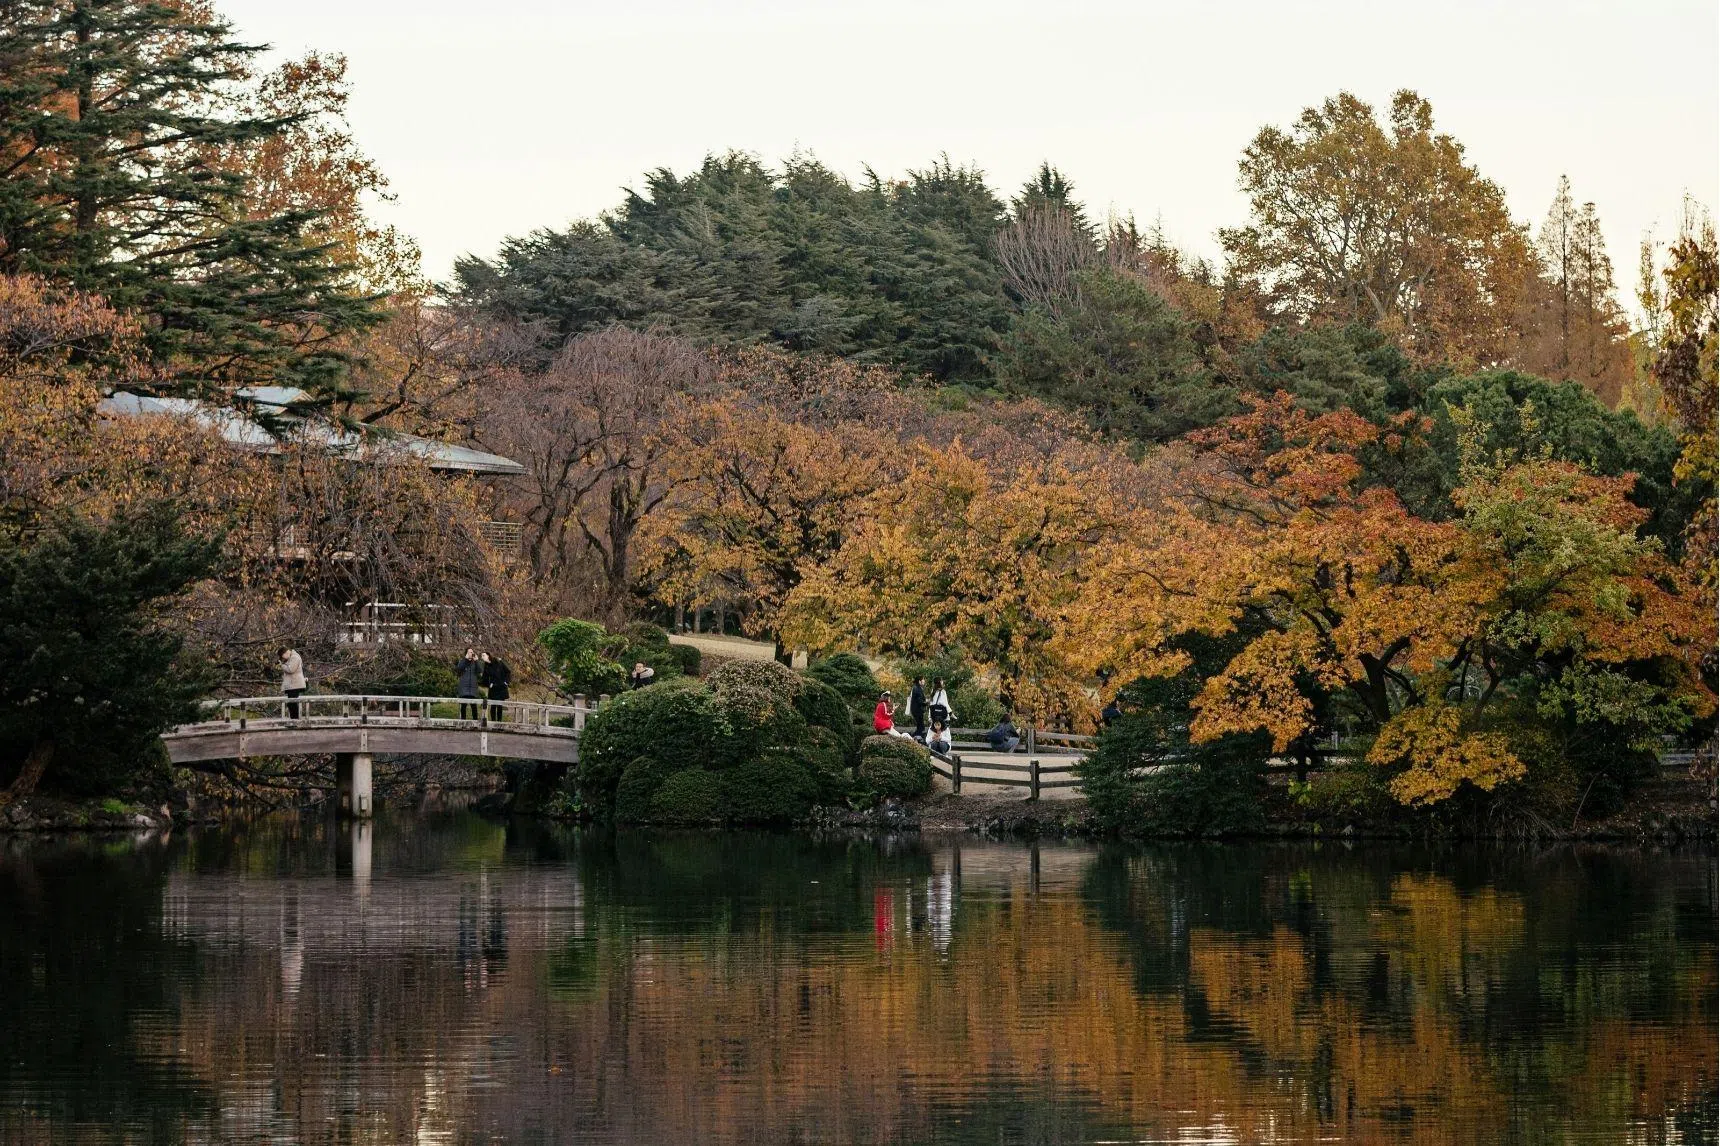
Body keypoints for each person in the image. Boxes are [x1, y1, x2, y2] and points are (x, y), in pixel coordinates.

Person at [482, 652, 511, 722]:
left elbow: (508, 671)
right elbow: (484, 678)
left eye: (483, 655)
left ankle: (499, 723)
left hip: (501, 688)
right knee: (493, 706)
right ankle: (493, 722)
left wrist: (506, 682)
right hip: (493, 689)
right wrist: (489, 684)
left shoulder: (498, 661)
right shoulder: (486, 666)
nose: (482, 657)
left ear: (488, 656)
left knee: (500, 706)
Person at [455, 647, 482, 720]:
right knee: (463, 706)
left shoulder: (475, 662)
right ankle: (463, 722)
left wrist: (477, 661)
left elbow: (480, 670)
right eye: (470, 652)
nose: (471, 653)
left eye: (472, 652)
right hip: (464, 688)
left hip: (473, 688)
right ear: (466, 653)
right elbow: (459, 669)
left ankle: (475, 722)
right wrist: (465, 659)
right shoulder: (462, 661)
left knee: (474, 707)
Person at [279, 647, 305, 719]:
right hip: (293, 684)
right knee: (291, 703)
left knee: (292, 703)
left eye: (283, 656)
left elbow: (290, 670)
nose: (283, 658)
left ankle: (295, 720)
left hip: (295, 684)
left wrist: (282, 665)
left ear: (285, 653)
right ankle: (294, 719)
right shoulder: (292, 657)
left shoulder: (295, 657)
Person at [908, 676, 928, 741]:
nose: (924, 681)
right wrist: (927, 702)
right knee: (921, 727)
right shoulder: (917, 689)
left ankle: (915, 738)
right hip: (917, 710)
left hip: (916, 710)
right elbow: (919, 701)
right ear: (919, 681)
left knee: (920, 726)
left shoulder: (917, 688)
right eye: (923, 679)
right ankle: (912, 738)